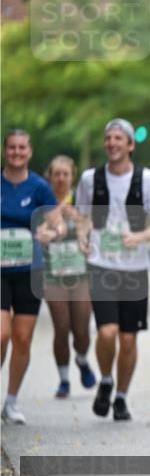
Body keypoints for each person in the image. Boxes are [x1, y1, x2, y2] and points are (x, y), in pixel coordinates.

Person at [76, 118, 150, 421]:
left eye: (118, 138)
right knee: (107, 332)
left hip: (135, 268)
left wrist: (140, 237)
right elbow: (83, 216)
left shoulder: (149, 180)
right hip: (102, 265)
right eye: (108, 138)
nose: (112, 143)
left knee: (128, 338)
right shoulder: (91, 179)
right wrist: (81, 235)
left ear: (130, 145)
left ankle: (121, 397)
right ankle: (105, 379)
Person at [1, 130, 58, 424]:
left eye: (22, 148)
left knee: (22, 339)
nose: (16, 152)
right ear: (4, 151)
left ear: (30, 152)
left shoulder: (39, 187)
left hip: (30, 271)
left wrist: (50, 232)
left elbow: (57, 224)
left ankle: (11, 401)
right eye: (12, 148)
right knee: (2, 334)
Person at [42, 155, 97, 398]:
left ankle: (82, 360)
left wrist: (76, 217)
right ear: (50, 177)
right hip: (52, 274)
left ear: (72, 176)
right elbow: (35, 231)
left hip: (81, 272)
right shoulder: (42, 200)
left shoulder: (80, 200)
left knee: (82, 330)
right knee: (61, 328)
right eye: (57, 174)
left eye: (66, 174)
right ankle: (64, 380)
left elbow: (95, 228)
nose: (61, 178)